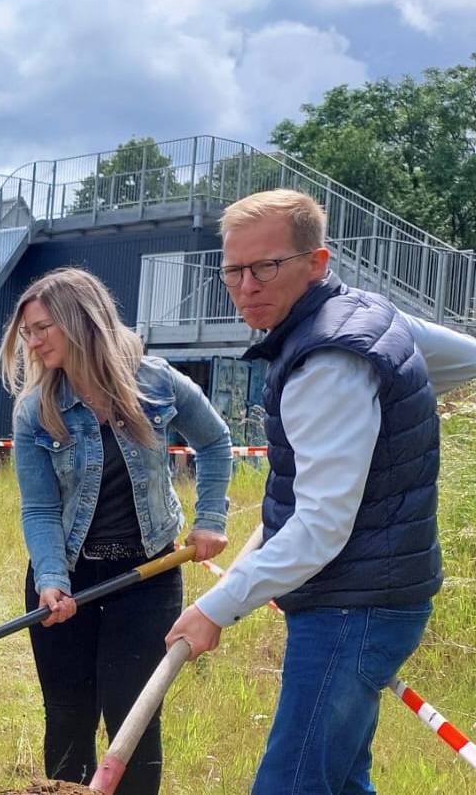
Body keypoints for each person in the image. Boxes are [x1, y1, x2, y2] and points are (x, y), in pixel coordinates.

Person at [165, 190, 476, 795]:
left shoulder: (328, 362)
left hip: (353, 604)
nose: (246, 286)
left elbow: (321, 528)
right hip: (375, 591)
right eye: (233, 270)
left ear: (317, 262)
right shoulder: (369, 316)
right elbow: (465, 361)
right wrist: (387, 399)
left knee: (293, 784)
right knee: (341, 781)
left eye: (266, 266)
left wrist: (214, 609)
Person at [0, 268, 233, 795]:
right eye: (27, 333)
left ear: (81, 322)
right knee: (68, 716)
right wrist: (52, 580)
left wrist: (210, 520)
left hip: (148, 576)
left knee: (134, 720)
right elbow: (39, 509)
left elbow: (215, 442)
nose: (32, 344)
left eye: (42, 329)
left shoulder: (157, 383)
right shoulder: (36, 410)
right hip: (68, 580)